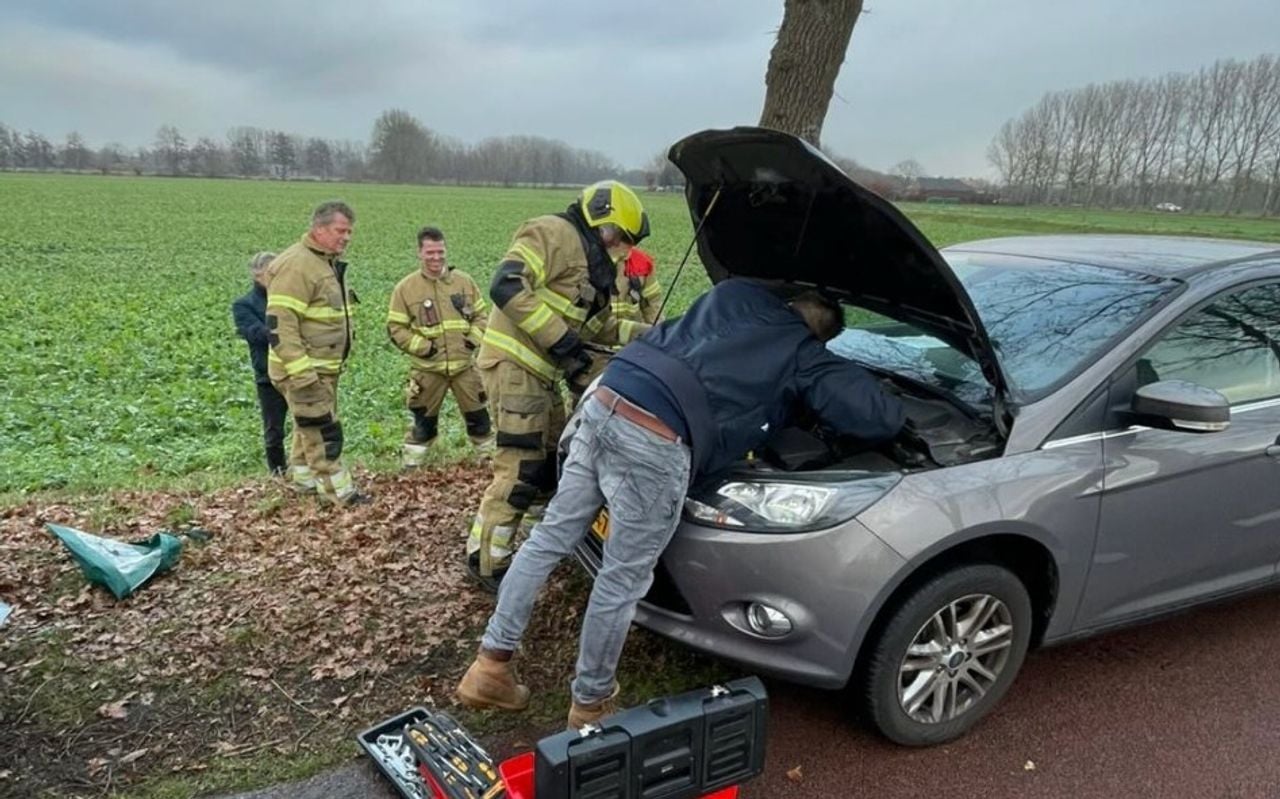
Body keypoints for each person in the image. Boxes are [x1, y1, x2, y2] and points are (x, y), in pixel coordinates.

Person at [455, 278, 906, 729]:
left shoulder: (733, 294)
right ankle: (591, 706)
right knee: (622, 579)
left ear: (789, 301)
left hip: (607, 396)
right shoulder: (803, 352)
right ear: (820, 335)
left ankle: (490, 666)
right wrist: (891, 404)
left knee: (548, 539)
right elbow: (874, 417)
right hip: (654, 438)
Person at [466, 181, 653, 590]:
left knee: (549, 466)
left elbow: (602, 326)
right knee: (520, 467)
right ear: (601, 221)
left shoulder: (594, 264)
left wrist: (653, 334)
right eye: (620, 238)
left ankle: (533, 549)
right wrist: (563, 342)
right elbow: (507, 286)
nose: (622, 249)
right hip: (514, 366)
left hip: (540, 376)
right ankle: (487, 564)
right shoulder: (552, 233)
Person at [264, 200, 368, 506]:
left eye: (349, 232)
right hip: (304, 371)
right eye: (340, 230)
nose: (346, 237)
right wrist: (302, 372)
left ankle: (303, 484)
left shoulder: (323, 262)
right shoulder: (298, 265)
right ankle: (340, 495)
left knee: (306, 426)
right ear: (319, 229)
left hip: (322, 369)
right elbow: (279, 324)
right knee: (323, 431)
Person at [387, 226, 492, 466]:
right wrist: (424, 348)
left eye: (440, 252)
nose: (436, 258)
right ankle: (412, 469)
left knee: (480, 421)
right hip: (427, 371)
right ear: (419, 253)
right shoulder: (405, 288)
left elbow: (482, 316)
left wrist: (472, 341)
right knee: (422, 425)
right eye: (430, 253)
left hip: (465, 369)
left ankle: (488, 463)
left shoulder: (465, 283)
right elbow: (395, 328)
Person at [231, 251, 289, 475]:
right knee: (274, 431)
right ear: (257, 275)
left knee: (309, 423)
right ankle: (278, 473)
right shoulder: (244, 305)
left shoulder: (287, 298)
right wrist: (284, 330)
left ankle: (305, 469)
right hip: (267, 375)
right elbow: (255, 334)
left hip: (298, 369)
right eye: (270, 272)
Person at [611, 246, 663, 325]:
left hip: (633, 333)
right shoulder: (589, 261)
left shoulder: (642, 263)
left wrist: (657, 332)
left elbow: (652, 304)